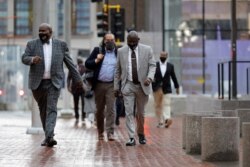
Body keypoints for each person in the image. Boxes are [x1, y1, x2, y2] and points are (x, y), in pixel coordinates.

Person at [22, 23, 83, 147]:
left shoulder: (61, 45)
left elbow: (70, 64)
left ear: (51, 32)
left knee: (52, 109)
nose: (41, 33)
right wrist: (32, 59)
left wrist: (78, 80)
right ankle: (48, 136)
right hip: (37, 84)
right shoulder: (32, 44)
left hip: (53, 82)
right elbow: (24, 58)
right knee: (43, 110)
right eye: (40, 31)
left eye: (44, 31)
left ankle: (49, 136)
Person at [114, 31, 156, 146]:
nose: (131, 44)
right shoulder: (121, 51)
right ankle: (131, 137)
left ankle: (141, 134)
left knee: (140, 113)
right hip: (128, 85)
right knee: (129, 112)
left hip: (143, 85)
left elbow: (152, 65)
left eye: (134, 42)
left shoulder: (147, 50)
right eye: (129, 42)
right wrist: (116, 87)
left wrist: (149, 78)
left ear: (138, 40)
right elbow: (117, 70)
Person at [85, 33, 117, 141]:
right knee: (99, 110)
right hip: (99, 84)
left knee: (111, 109)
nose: (110, 42)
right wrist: (96, 60)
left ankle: (110, 133)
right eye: (107, 40)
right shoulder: (97, 50)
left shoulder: (118, 52)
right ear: (104, 41)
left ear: (115, 41)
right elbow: (87, 63)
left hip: (111, 85)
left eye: (112, 40)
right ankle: (100, 132)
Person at [152, 51, 179, 128]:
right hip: (157, 88)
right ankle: (160, 121)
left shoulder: (170, 66)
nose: (162, 56)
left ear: (166, 56)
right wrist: (151, 83)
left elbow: (174, 77)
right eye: (161, 55)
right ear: (159, 56)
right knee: (158, 105)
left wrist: (177, 87)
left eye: (164, 55)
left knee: (167, 103)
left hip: (167, 88)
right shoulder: (155, 65)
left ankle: (167, 119)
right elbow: (150, 75)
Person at [67, 58, 86, 122]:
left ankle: (79, 116)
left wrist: (68, 86)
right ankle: (79, 116)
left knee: (78, 103)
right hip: (77, 88)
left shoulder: (84, 68)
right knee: (79, 103)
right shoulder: (74, 67)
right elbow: (69, 77)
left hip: (80, 88)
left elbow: (68, 78)